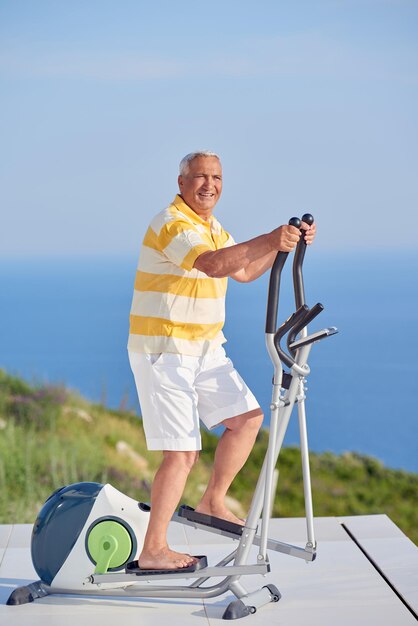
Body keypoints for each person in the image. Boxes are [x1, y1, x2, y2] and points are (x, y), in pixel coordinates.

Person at [128, 150, 316, 571]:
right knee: (181, 454)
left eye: (215, 177)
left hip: (205, 348)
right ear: (181, 183)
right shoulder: (172, 223)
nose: (209, 184)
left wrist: (287, 240)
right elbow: (213, 266)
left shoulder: (211, 227)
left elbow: (244, 271)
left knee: (247, 418)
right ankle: (154, 548)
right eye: (199, 177)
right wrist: (268, 239)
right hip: (165, 349)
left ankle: (213, 501)